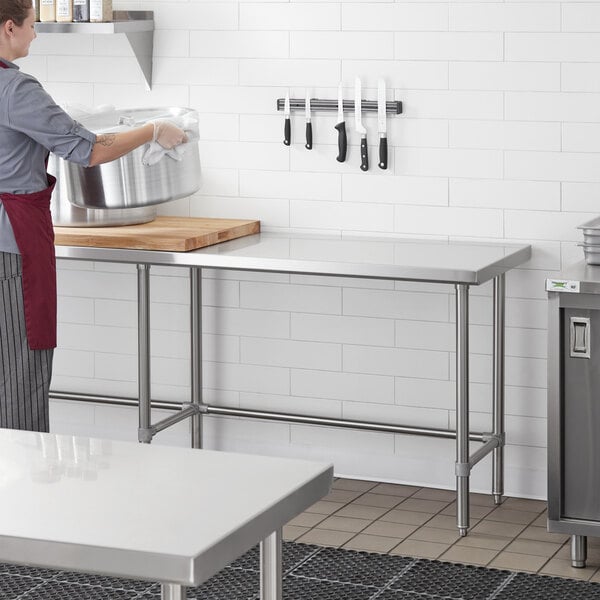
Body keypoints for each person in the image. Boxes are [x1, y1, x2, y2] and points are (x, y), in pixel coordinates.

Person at [0, 0, 187, 432]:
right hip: (12, 247)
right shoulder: (15, 89)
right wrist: (153, 129)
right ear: (10, 27)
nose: (36, 33)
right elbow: (89, 149)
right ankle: (25, 487)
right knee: (18, 375)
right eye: (31, 25)